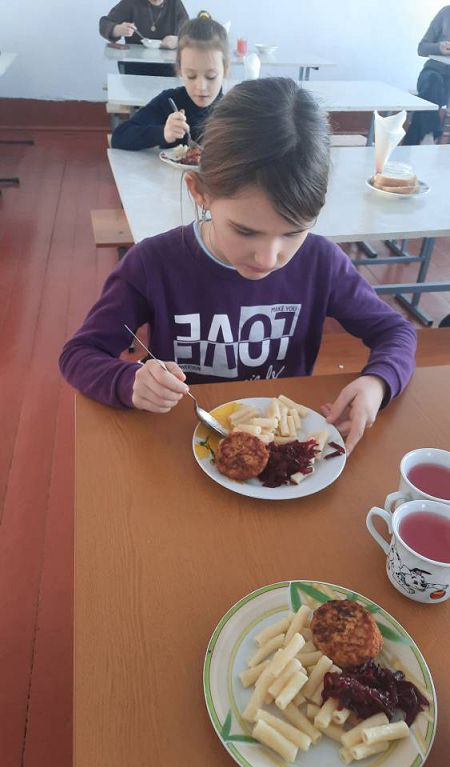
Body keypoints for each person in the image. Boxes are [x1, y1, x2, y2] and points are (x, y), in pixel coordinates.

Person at [60, 78, 417, 455]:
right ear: (200, 192)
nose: (268, 258)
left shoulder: (321, 263)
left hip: (280, 449)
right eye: (245, 231)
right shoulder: (154, 264)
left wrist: (377, 382)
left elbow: (396, 331)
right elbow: (79, 355)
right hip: (179, 442)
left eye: (293, 232)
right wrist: (129, 381)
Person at [111, 13, 228, 151]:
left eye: (211, 76)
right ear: (180, 69)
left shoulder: (232, 110)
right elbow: (119, 137)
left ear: (225, 70)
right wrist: (163, 133)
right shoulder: (170, 102)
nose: (201, 87)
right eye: (191, 76)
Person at [404, 6, 450, 144]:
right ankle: (429, 136)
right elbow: (422, 48)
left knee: (431, 95)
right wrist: (438, 47)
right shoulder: (446, 13)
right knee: (433, 83)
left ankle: (419, 139)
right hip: (433, 71)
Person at [99, 0, 188, 50]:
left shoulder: (175, 3)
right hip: (134, 65)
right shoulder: (131, 2)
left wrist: (178, 41)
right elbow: (104, 24)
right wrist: (117, 29)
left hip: (167, 67)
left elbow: (190, 34)